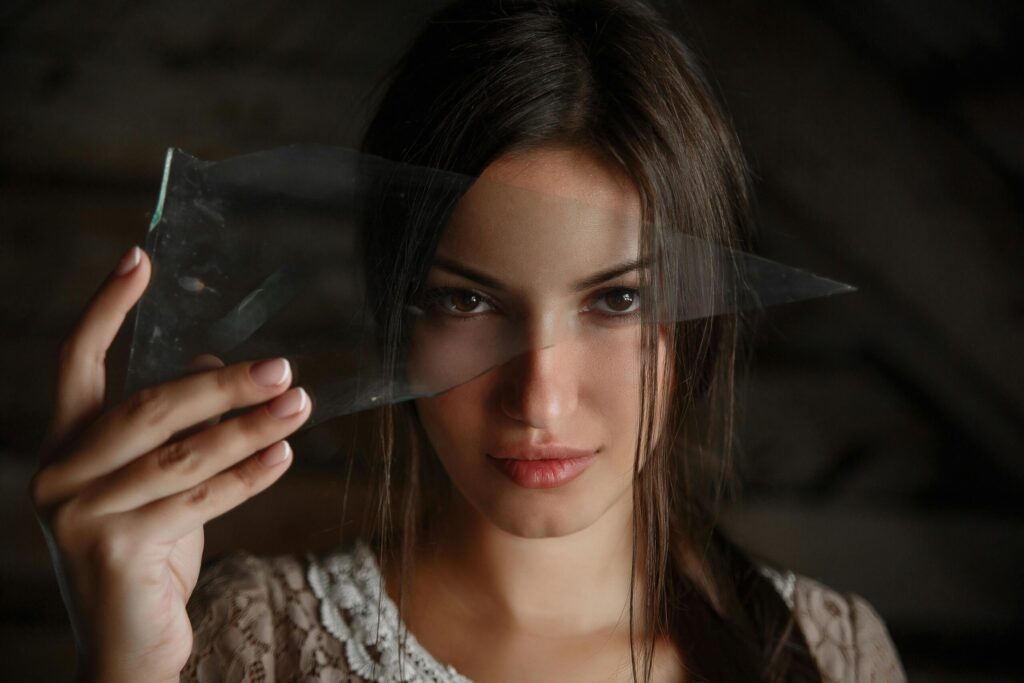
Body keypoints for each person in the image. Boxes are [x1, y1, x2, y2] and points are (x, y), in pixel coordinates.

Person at [30, 0, 906, 681]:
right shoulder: (249, 641)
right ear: (395, 310)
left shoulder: (830, 654)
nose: (540, 398)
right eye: (466, 300)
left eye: (618, 299)